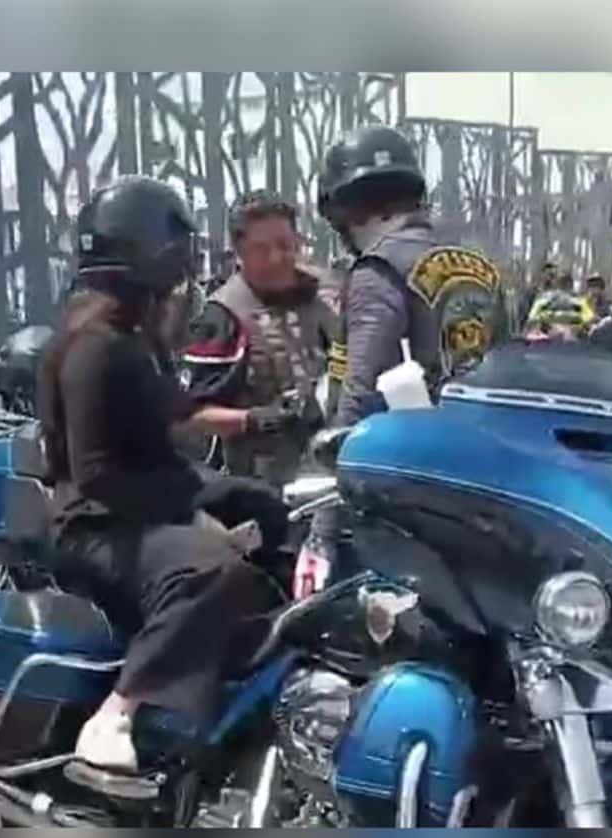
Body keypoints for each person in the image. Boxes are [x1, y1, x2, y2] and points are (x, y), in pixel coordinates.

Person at [40, 175, 287, 771]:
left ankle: (257, 676)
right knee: (207, 569)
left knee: (268, 506)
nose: (184, 272)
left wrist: (266, 420)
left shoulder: (132, 339)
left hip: (138, 502)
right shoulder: (95, 347)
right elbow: (97, 477)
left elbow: (176, 409)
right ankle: (119, 713)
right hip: (93, 525)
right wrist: (192, 514)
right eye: (177, 253)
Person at [299, 124, 505, 594]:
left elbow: (359, 395)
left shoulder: (379, 269)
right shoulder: (482, 267)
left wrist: (321, 532)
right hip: (482, 485)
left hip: (407, 492)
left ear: (343, 209)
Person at [180, 191, 337, 487]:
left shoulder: (327, 294)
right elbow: (192, 414)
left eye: (285, 245)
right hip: (268, 484)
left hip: (336, 467)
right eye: (261, 249)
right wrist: (256, 420)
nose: (276, 258)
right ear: (239, 251)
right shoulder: (224, 314)